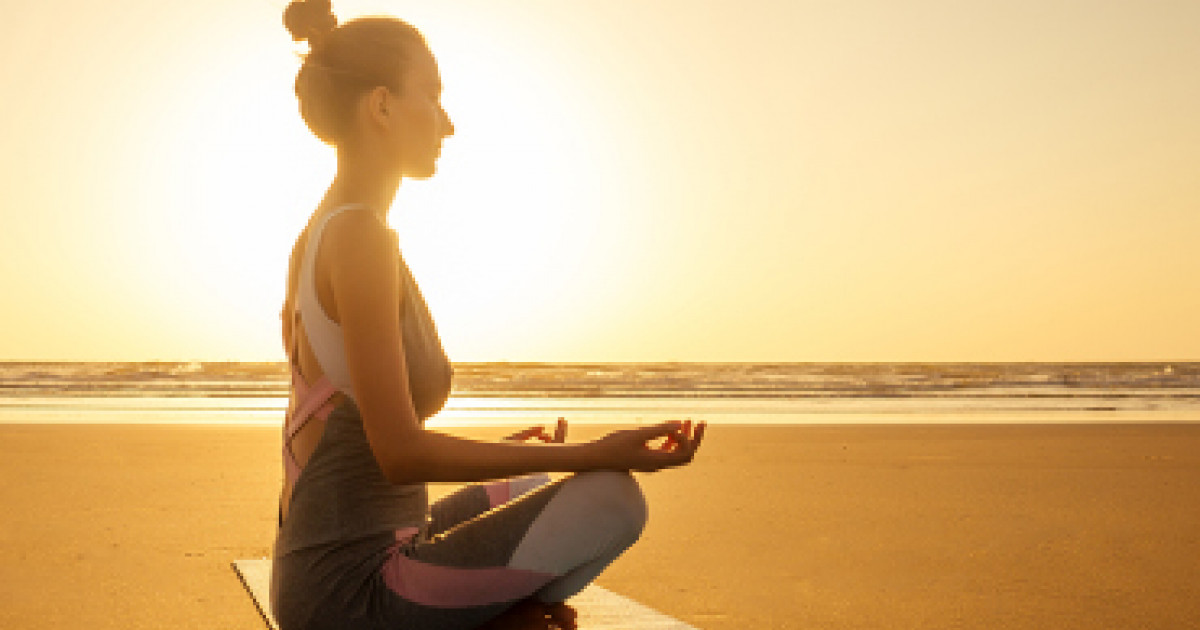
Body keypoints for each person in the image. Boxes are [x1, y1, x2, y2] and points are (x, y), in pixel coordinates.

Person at [270, 2, 707, 629]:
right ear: (383, 107)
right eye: (434, 96)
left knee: (529, 478)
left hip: (328, 568)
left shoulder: (323, 231)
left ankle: (497, 613)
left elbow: (352, 451)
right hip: (350, 599)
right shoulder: (361, 238)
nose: (447, 124)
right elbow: (399, 454)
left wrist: (527, 458)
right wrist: (592, 452)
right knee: (614, 496)